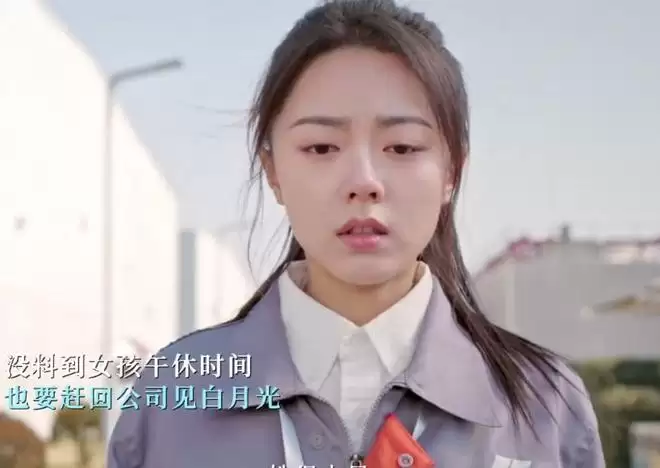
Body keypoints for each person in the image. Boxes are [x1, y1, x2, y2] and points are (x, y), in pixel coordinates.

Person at [107, 0, 605, 466]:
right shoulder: (170, 398)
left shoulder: (546, 405)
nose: (364, 181)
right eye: (322, 148)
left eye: (403, 147)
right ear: (273, 170)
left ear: (452, 170)